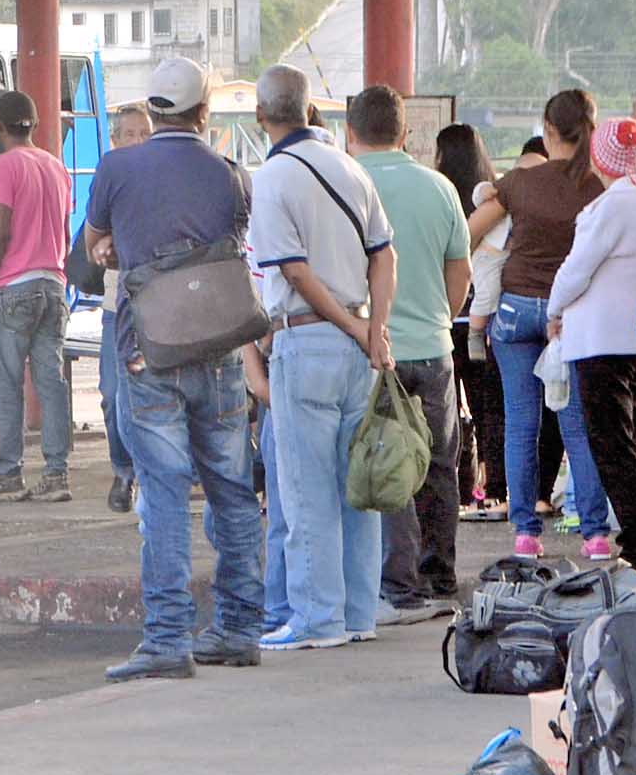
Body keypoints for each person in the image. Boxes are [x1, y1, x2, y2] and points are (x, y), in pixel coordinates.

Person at [81, 57, 267, 678]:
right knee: (234, 491)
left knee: (162, 493)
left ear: (152, 110)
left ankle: (166, 639)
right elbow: (233, 246)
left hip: (148, 349)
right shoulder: (233, 175)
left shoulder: (117, 167)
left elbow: (95, 243)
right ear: (204, 112)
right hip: (218, 348)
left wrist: (115, 248)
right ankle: (240, 629)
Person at [249, 65, 396, 652]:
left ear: (263, 117)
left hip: (306, 341)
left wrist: (350, 323)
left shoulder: (273, 177)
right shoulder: (351, 168)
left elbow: (293, 270)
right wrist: (373, 328)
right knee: (356, 483)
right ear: (311, 110)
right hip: (359, 348)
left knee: (308, 490)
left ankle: (316, 619)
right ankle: (359, 612)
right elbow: (385, 256)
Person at [467, 91, 612, 558]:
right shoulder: (599, 187)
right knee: (576, 426)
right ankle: (593, 535)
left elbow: (469, 230)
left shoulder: (521, 182)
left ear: (548, 131)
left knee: (520, 422)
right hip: (569, 316)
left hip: (513, 312)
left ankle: (526, 534)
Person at [348, 87, 469, 615]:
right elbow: (459, 271)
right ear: (406, 133)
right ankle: (439, 575)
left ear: (349, 132)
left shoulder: (347, 185)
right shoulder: (440, 188)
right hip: (435, 346)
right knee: (439, 464)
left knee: (383, 459)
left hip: (371, 349)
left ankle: (397, 581)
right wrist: (439, 315)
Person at [545, 117, 636, 573]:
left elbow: (574, 272)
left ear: (600, 158)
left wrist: (553, 311)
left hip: (603, 344)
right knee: (634, 443)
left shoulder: (613, 207)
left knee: (614, 447)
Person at [0, 90, 75, 503]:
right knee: (51, 384)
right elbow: (64, 233)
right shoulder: (54, 166)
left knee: (8, 386)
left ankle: (9, 473)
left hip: (13, 288)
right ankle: (56, 475)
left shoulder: (6, 166)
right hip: (53, 284)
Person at [438, 124, 506, 521]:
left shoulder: (439, 198)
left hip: (448, 315)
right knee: (488, 408)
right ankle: (496, 489)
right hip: (484, 317)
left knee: (449, 409)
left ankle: (462, 489)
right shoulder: (492, 198)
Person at [98, 103, 154, 514]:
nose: (138, 141)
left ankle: (148, 473)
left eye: (145, 134)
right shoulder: (109, 176)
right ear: (115, 141)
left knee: (153, 394)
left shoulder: (164, 176)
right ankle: (123, 470)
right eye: (130, 134)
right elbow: (94, 233)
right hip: (116, 304)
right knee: (112, 395)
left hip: (158, 304)